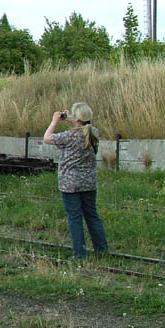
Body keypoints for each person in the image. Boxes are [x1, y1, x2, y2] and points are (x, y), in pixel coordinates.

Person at [44, 102, 109, 260]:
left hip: (70, 183)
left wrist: (55, 121)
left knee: (74, 217)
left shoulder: (68, 136)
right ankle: (102, 249)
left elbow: (47, 138)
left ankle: (80, 254)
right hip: (89, 182)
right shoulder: (94, 132)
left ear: (77, 118)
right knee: (92, 215)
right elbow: (84, 128)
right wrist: (73, 119)